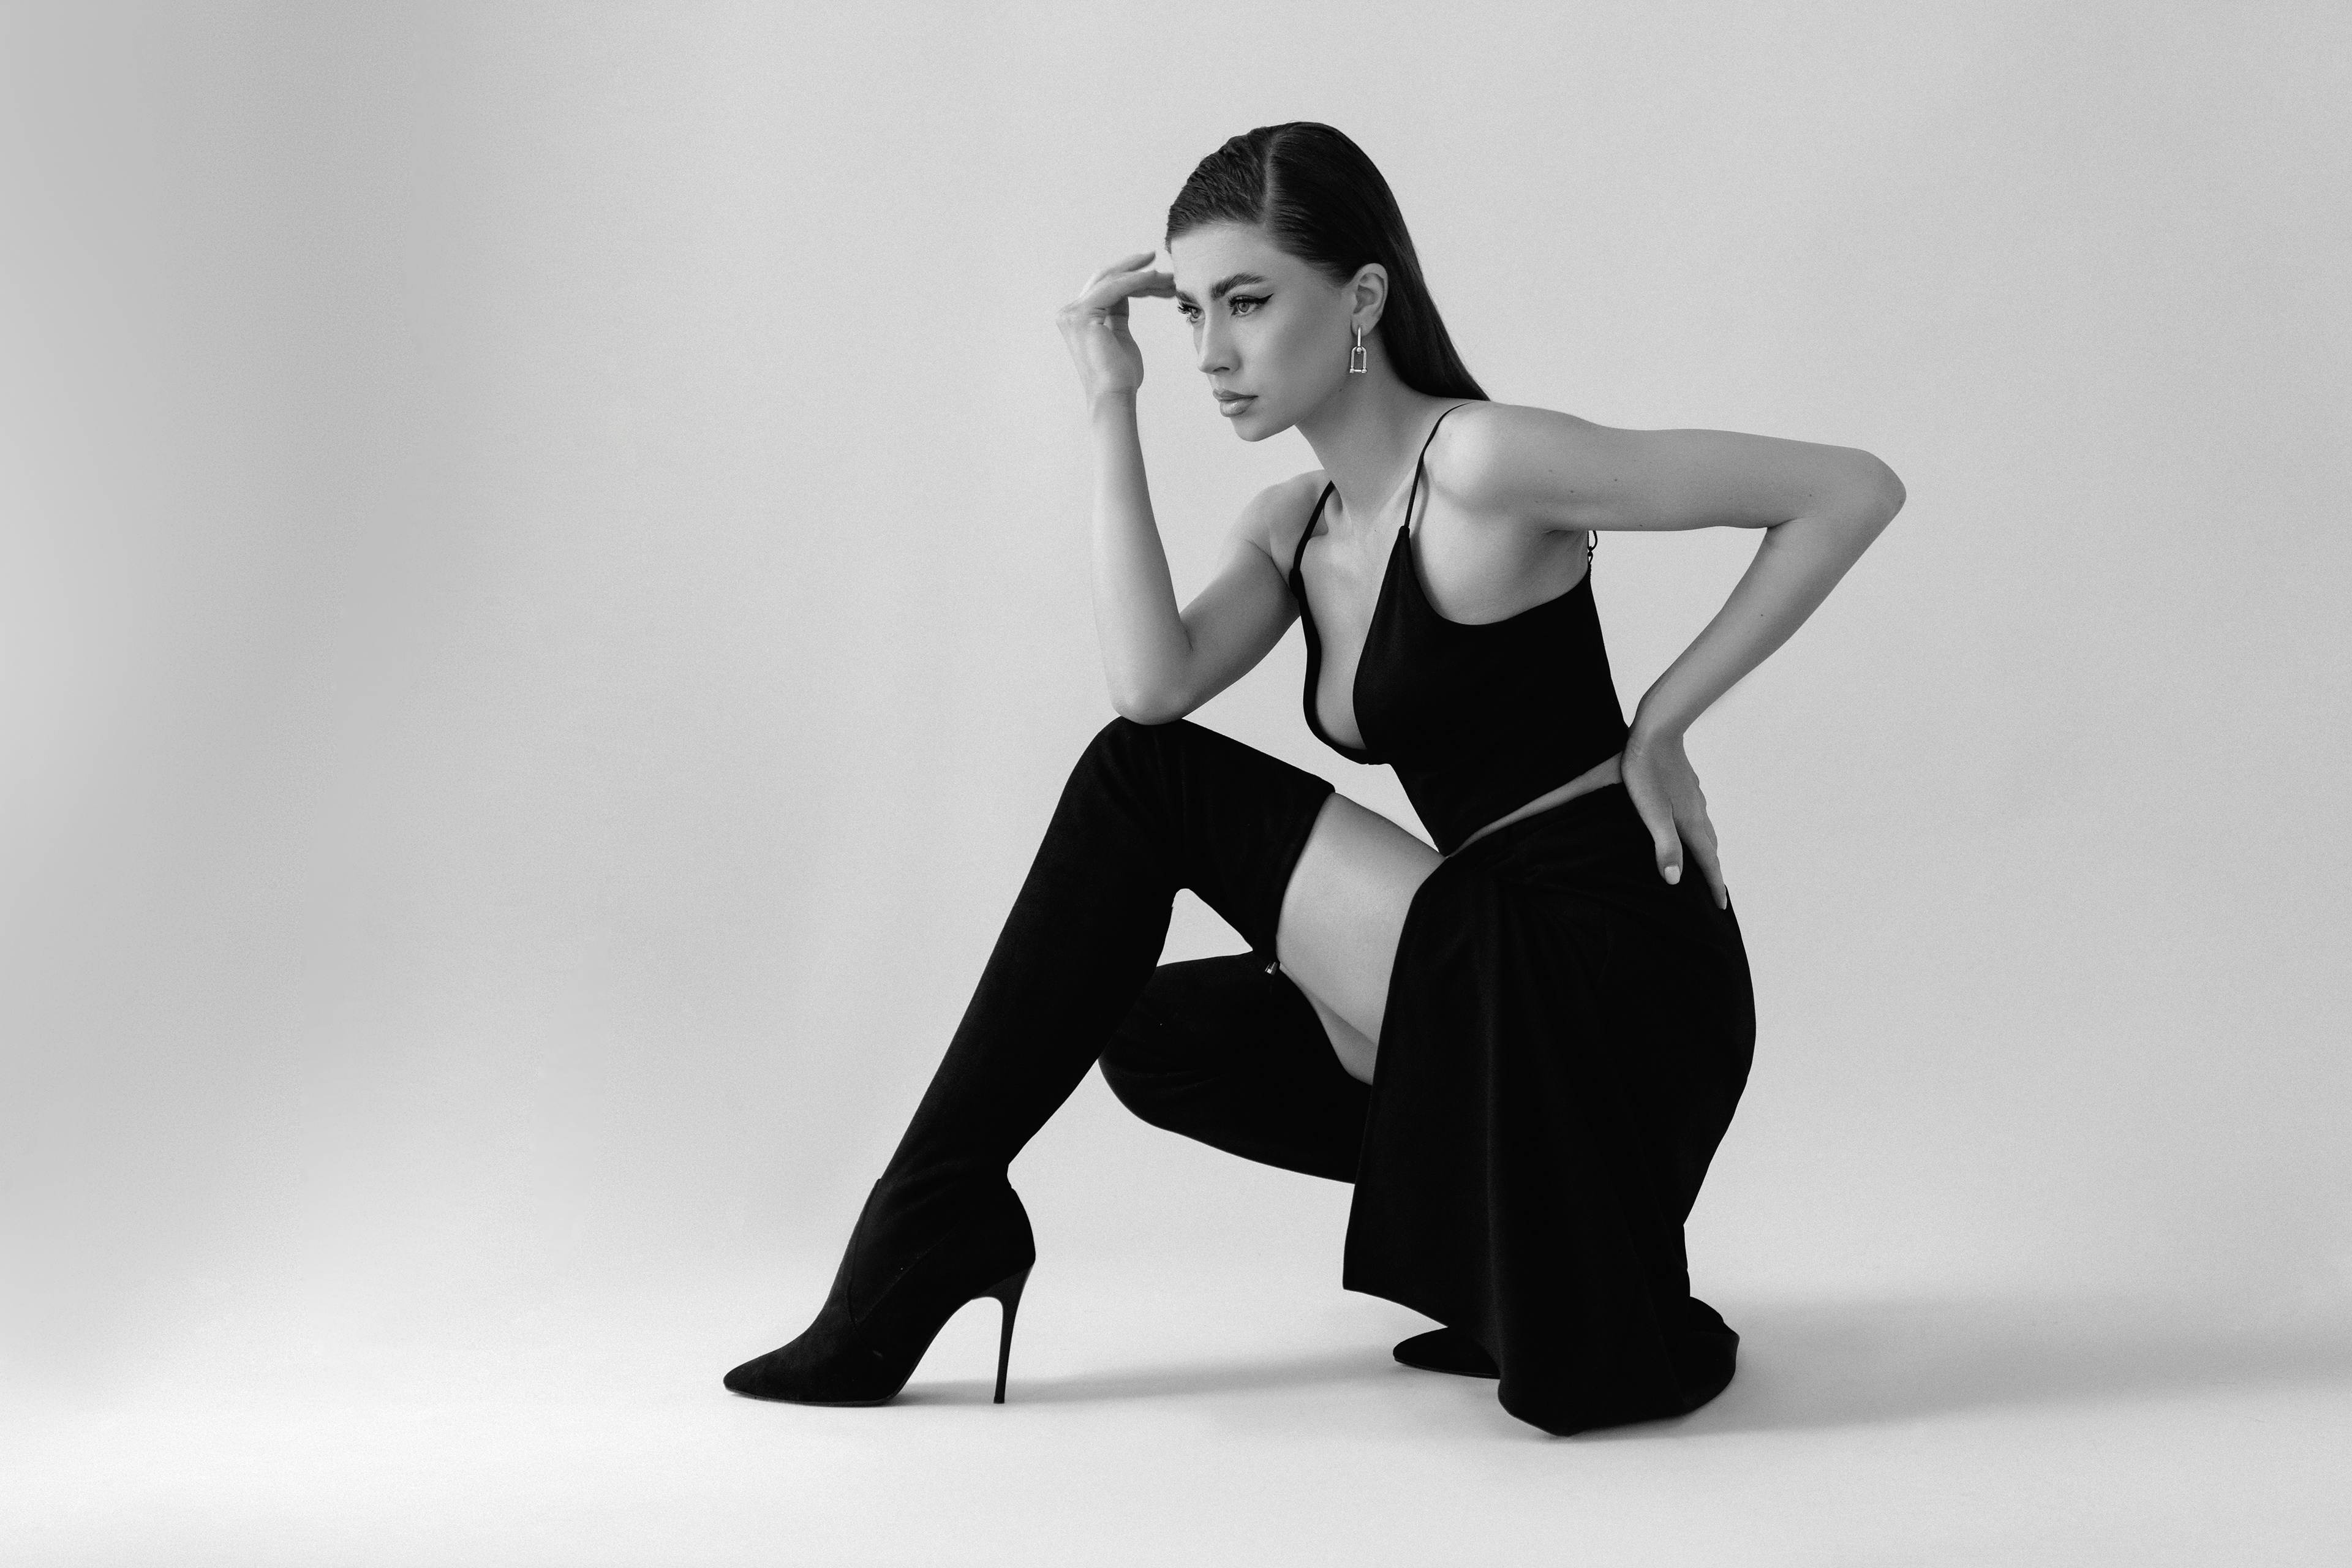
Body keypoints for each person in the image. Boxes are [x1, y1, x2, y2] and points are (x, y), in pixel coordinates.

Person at [723, 121, 1904, 1436]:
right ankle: (1513, 1247)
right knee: (1149, 1031)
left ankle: (921, 1225)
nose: (1211, 352)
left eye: (1248, 301)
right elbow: (1152, 683)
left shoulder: (1481, 463)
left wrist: (1665, 722)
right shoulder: (1295, 529)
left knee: (1144, 786)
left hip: (1613, 968)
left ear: (1362, 299)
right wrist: (1111, 401)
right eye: (1191, 313)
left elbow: (1849, 491)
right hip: (1491, 960)